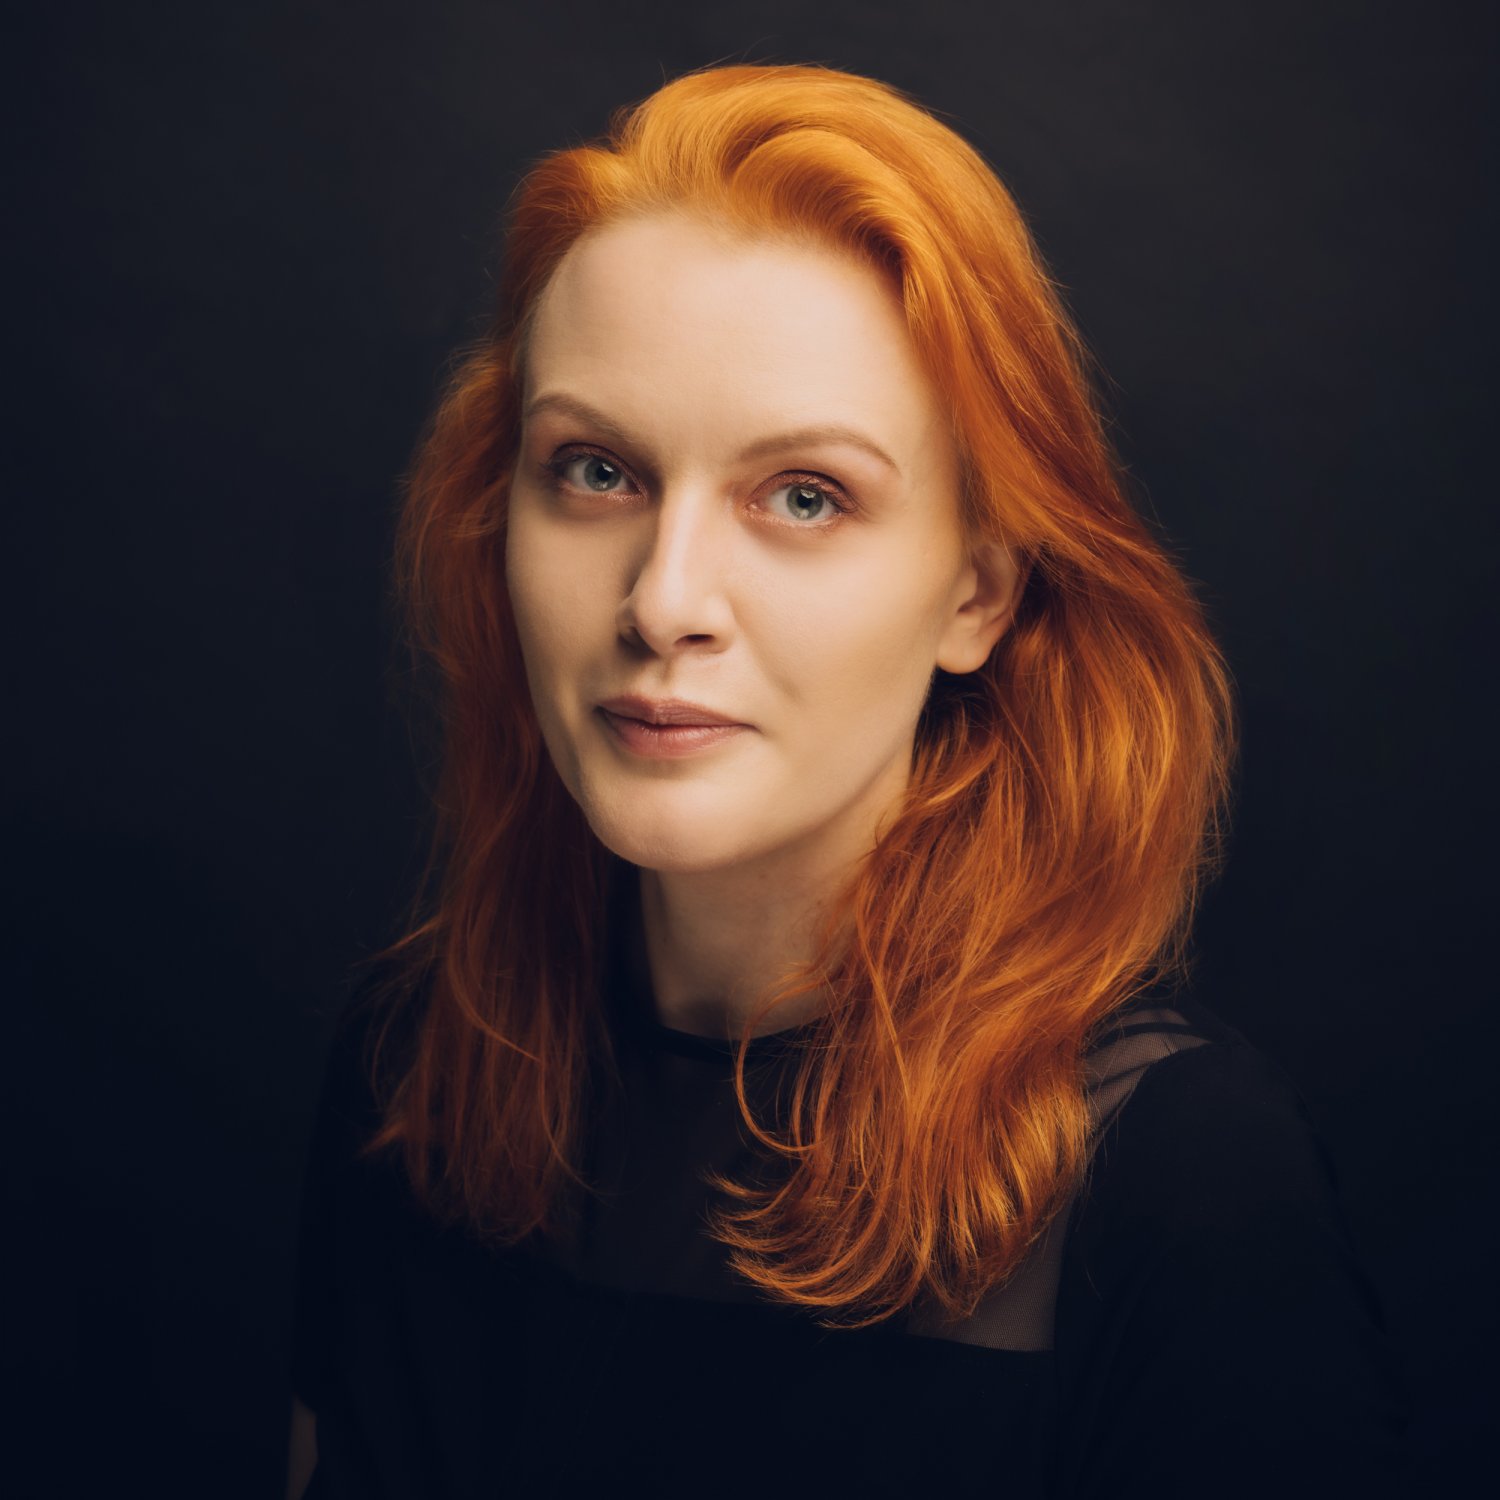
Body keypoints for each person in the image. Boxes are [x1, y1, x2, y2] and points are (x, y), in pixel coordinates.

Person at [286, 63, 1408, 1499]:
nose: (664, 600)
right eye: (596, 472)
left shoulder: (1181, 1186)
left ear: (978, 594)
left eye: (804, 496)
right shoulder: (413, 1069)